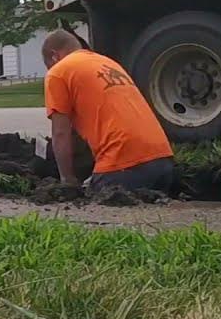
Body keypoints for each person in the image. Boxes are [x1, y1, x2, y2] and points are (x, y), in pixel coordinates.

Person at [41, 29, 174, 195]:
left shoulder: (58, 72)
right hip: (162, 160)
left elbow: (61, 133)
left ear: (54, 56)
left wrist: (67, 180)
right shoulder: (107, 63)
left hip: (124, 165)